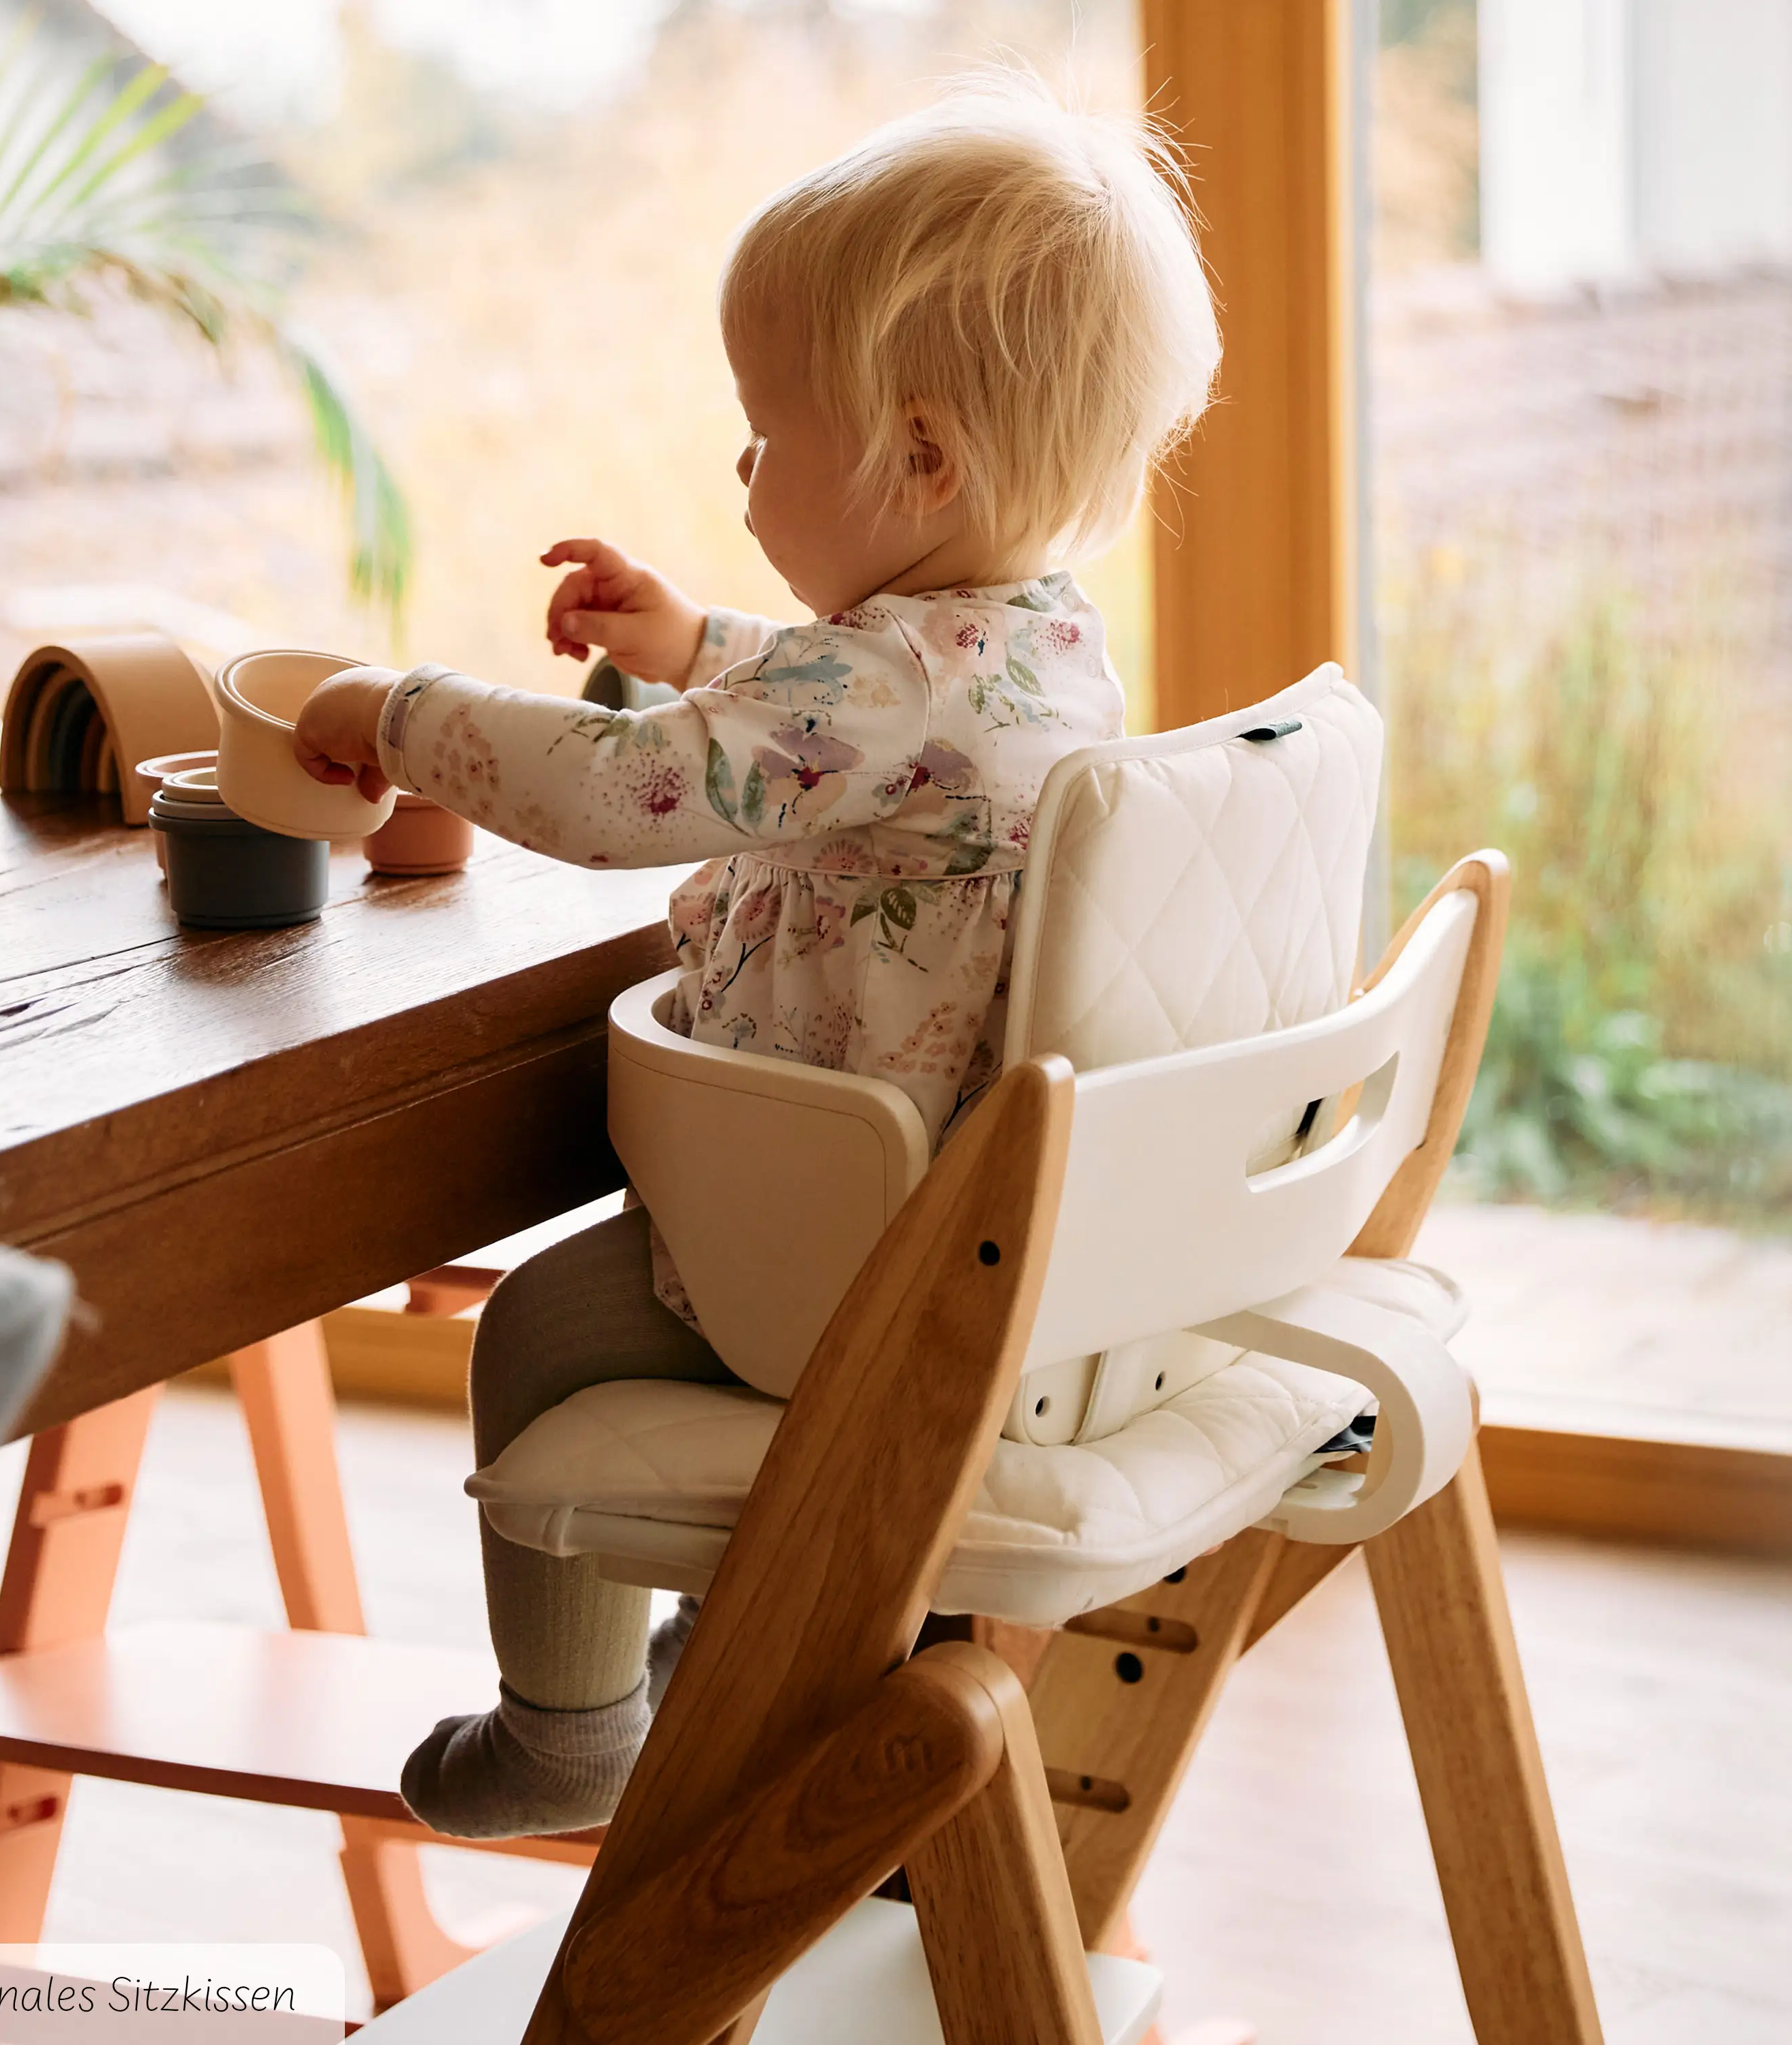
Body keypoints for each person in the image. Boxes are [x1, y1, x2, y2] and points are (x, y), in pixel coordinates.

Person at [290, 67, 1219, 1838]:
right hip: (983, 1250)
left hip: (845, 1272)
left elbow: (637, 794)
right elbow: (838, 716)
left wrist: (396, 714)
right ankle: (735, 1651)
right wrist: (691, 635)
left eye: (765, 428)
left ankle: (564, 1727)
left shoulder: (870, 687)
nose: (740, 465)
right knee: (624, 1316)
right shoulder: (1035, 643)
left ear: (924, 455)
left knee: (546, 1331)